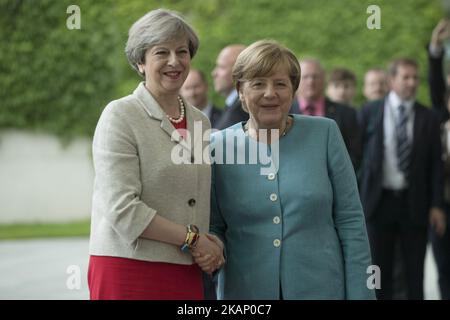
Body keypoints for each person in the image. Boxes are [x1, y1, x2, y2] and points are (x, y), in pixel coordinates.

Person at [206, 40, 375, 299]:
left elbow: (351, 222)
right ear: (240, 90)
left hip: (321, 289)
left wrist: (361, 294)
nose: (270, 93)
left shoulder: (325, 134)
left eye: (280, 83)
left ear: (294, 90)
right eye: (258, 83)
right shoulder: (218, 145)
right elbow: (214, 226)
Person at [88, 8, 224, 300]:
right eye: (162, 52)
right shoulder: (120, 115)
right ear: (140, 61)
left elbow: (199, 199)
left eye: (182, 51)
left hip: (185, 269)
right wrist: (193, 239)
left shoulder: (201, 121)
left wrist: (212, 243)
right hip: (128, 268)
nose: (174, 61)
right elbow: (122, 209)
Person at [358, 57, 446, 300]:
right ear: (391, 80)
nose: (411, 83)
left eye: (415, 78)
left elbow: (436, 165)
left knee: (414, 271)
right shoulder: (369, 112)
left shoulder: (428, 117)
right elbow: (355, 158)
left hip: (413, 204)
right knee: (377, 270)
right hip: (377, 203)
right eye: (405, 77)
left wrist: (437, 205)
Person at [290, 59, 361, 170]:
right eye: (305, 77)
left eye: (315, 76)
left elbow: (355, 153)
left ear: (324, 79)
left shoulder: (346, 113)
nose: (311, 81)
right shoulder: (284, 112)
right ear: (295, 81)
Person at [428, 18, 450, 299]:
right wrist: (436, 49)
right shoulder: (440, 121)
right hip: (443, 207)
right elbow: (435, 86)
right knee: (444, 267)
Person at [212, 44, 249, 129]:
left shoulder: (242, 110)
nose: (214, 73)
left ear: (240, 71)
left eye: (221, 67)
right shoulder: (232, 105)